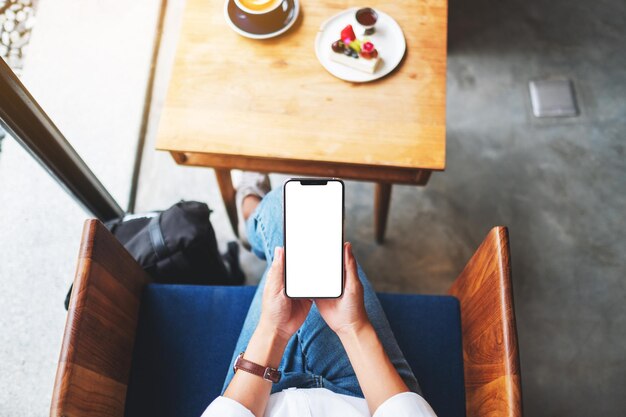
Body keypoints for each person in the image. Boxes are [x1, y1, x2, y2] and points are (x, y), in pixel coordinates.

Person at [201, 173, 437, 417]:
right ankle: (253, 218)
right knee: (289, 213)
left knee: (281, 205)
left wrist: (274, 329)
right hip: (366, 395)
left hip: (262, 398)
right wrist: (353, 326)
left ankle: (251, 216)